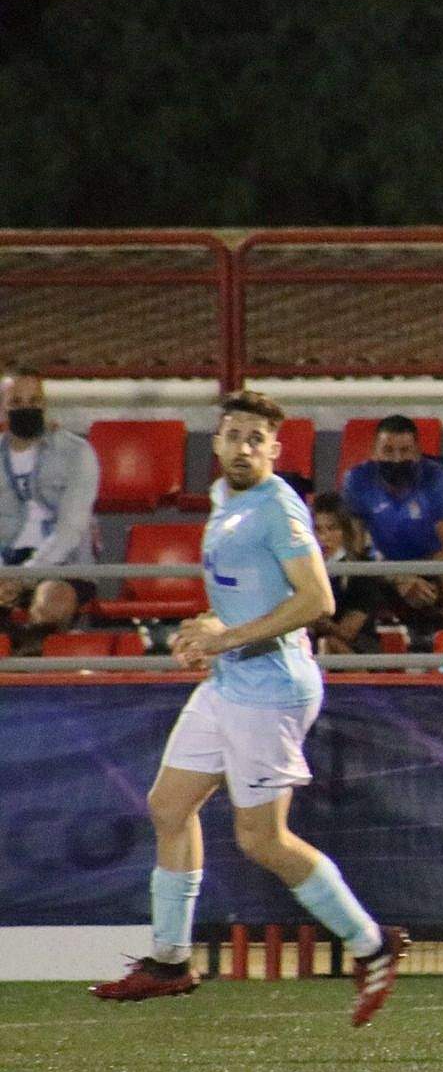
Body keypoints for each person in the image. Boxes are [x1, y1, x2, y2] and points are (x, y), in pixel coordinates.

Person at [90, 392, 407, 1027]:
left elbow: (316, 601)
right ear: (216, 442)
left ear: (274, 448)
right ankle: (170, 962)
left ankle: (372, 944)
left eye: (255, 438)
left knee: (262, 839)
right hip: (232, 679)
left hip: (271, 687)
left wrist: (225, 639)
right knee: (168, 806)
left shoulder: (278, 507)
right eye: (233, 434)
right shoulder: (221, 498)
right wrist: (204, 627)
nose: (242, 447)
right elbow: (242, 600)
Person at [341, 415, 443, 632]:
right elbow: (354, 547)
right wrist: (397, 577)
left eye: (405, 450)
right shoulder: (357, 480)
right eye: (388, 450)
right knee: (356, 580)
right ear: (374, 452)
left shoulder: (437, 479)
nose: (397, 459)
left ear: (417, 452)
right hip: (381, 570)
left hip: (432, 565)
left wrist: (414, 576)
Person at [0, 366, 100, 647]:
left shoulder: (77, 453)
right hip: (6, 565)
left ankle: (28, 660)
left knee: (50, 603)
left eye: (34, 401)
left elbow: (71, 529)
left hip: (63, 565)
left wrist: (22, 578)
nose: (26, 409)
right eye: (16, 403)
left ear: (44, 404)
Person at [309, 493, 390, 656]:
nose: (323, 537)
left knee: (330, 643)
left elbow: (348, 632)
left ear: (345, 530)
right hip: (311, 646)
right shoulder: (303, 568)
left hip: (359, 648)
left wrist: (311, 619)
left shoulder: (362, 570)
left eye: (332, 528)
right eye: (318, 529)